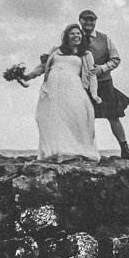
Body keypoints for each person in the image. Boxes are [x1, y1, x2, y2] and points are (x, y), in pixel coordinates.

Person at [23, 23, 100, 161]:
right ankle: (55, 150)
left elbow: (92, 75)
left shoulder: (86, 54)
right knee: (53, 118)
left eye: (78, 33)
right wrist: (28, 76)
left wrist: (94, 93)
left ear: (82, 36)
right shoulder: (56, 50)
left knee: (74, 117)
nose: (76, 36)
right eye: (72, 33)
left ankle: (75, 150)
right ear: (66, 36)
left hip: (73, 87)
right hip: (52, 88)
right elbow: (43, 67)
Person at [77, 9, 129, 159]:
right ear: (80, 21)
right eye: (85, 20)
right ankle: (87, 151)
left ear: (95, 21)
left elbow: (116, 59)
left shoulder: (105, 38)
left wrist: (102, 68)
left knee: (114, 116)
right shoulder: (74, 37)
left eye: (92, 20)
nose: (89, 22)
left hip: (104, 82)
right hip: (82, 85)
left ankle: (125, 149)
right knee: (86, 118)